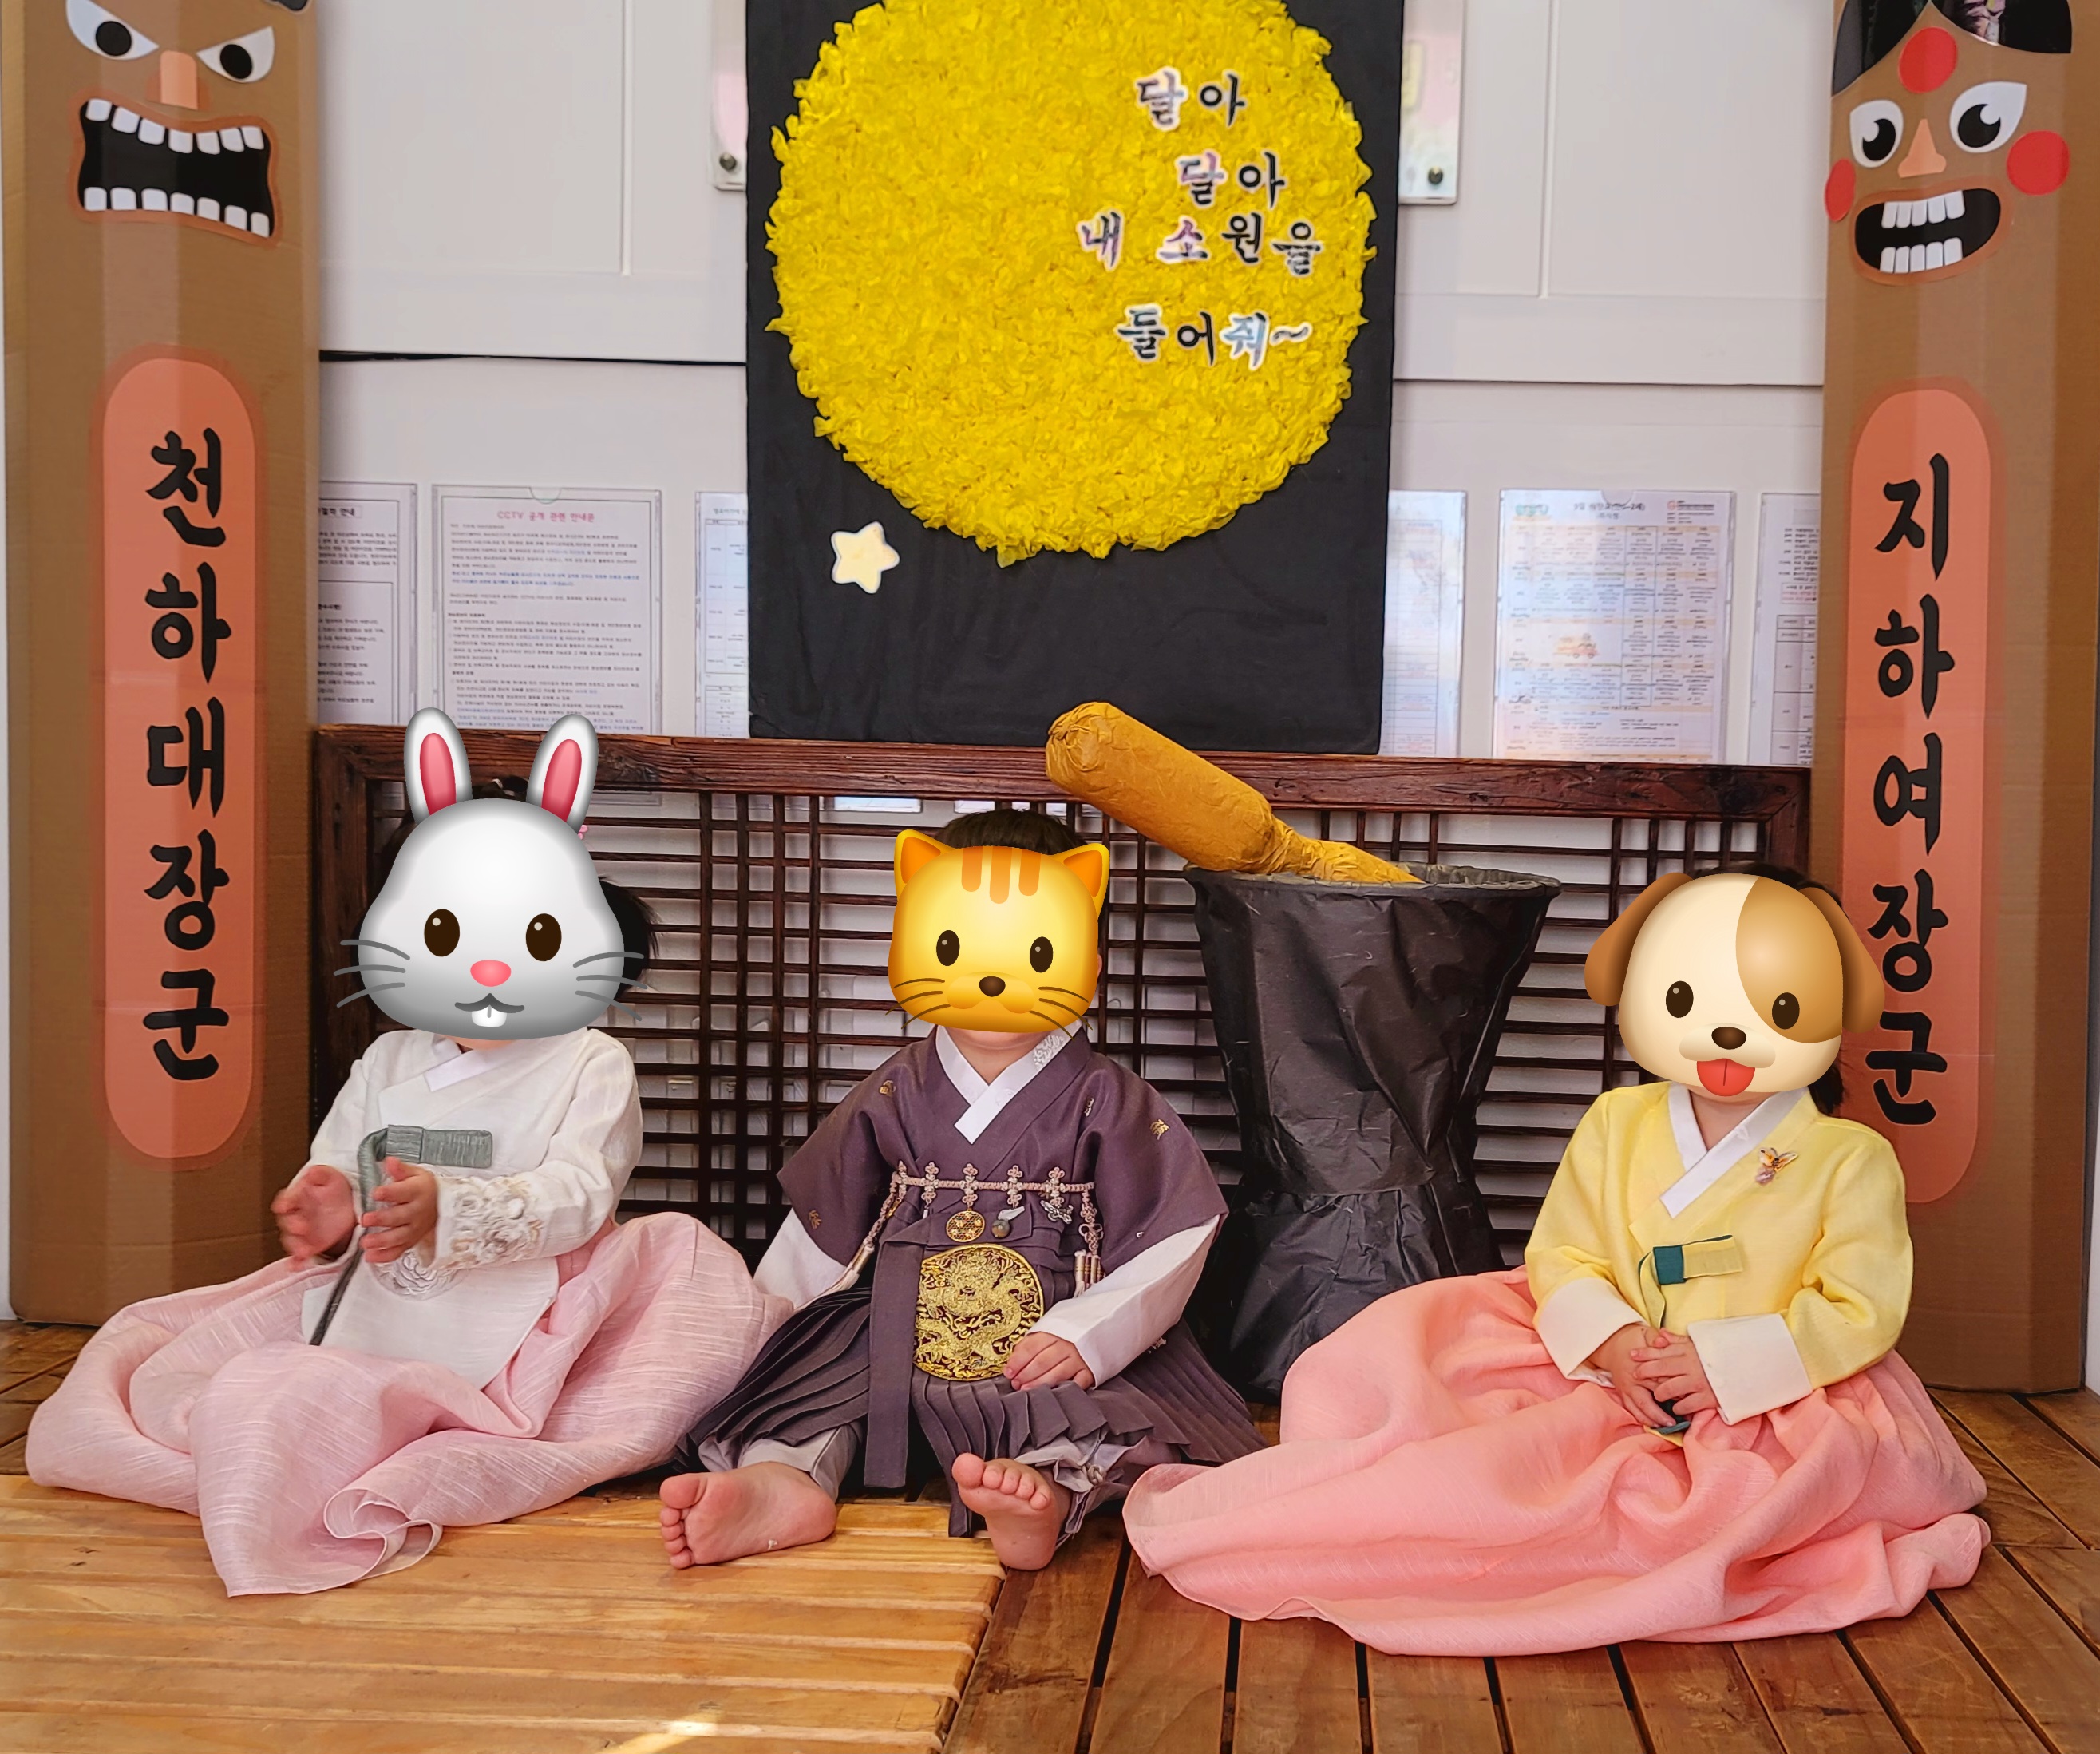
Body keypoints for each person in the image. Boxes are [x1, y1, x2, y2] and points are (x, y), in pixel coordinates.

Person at [1122, 867, 1987, 1653]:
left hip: (1777, 1384)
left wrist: (1721, 1365)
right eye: (1685, 997)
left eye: (1779, 1007)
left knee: (1697, 1507)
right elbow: (1564, 1251)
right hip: (1604, 1357)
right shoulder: (1617, 1122)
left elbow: (1858, 1306)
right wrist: (1614, 1342)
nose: (1727, 1035)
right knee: (1440, 1409)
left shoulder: (1848, 1157)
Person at [28, 712, 781, 1594]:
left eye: (532, 938)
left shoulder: (590, 1060)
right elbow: (342, 1159)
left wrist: (449, 1209)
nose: (489, 971)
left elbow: (580, 1191)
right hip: (385, 1289)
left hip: (537, 1292)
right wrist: (327, 1204)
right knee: (204, 1367)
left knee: (681, 1282)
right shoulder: (388, 1058)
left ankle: (473, 1420)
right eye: (448, 936)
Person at [659, 807, 1261, 1571]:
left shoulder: (1106, 1099)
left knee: (1104, 1412)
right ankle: (786, 1482)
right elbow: (824, 1224)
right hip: (892, 1327)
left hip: (1041, 1339)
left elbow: (1175, 1232)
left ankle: (1042, 1493)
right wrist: (765, 1337)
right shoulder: (896, 1089)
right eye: (954, 943)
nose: (990, 974)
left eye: (1033, 947)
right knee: (806, 1389)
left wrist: (1088, 1334)